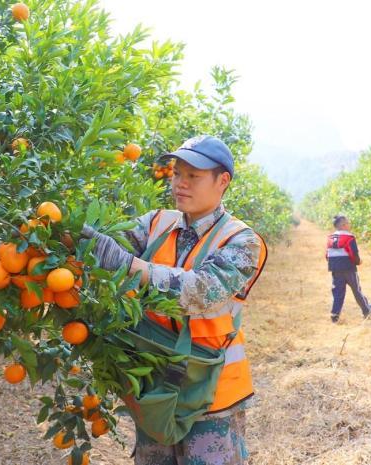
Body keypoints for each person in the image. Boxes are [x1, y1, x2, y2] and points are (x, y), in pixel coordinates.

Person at [81, 135, 267, 465]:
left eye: (193, 176)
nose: (180, 184)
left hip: (211, 392)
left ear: (222, 181)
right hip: (155, 380)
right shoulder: (155, 222)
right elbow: (103, 246)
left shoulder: (241, 240)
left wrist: (127, 265)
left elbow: (200, 292)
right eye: (177, 173)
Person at [326, 215, 371, 323]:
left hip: (336, 270)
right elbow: (354, 254)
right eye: (348, 223)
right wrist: (358, 262)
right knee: (356, 290)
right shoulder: (349, 237)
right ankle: (366, 310)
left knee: (338, 292)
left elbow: (327, 255)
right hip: (349, 269)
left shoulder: (330, 237)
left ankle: (335, 315)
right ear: (343, 225)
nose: (350, 224)